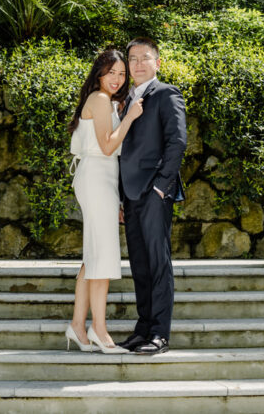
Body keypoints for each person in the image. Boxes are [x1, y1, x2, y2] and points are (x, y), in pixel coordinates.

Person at [64, 48, 144, 353]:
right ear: (99, 72)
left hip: (104, 180)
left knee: (94, 255)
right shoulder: (98, 99)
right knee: (103, 256)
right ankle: (98, 329)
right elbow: (108, 147)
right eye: (112, 72)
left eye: (122, 74)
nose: (117, 78)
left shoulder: (108, 102)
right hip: (96, 176)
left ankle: (77, 326)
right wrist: (131, 117)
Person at [116, 37, 187, 355]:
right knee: (140, 265)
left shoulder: (166, 94)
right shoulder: (125, 100)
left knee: (158, 263)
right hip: (130, 195)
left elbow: (177, 142)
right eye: (133, 59)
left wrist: (161, 186)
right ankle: (142, 328)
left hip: (155, 193)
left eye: (145, 57)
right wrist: (120, 196)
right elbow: (122, 152)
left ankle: (160, 334)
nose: (138, 63)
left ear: (157, 62)